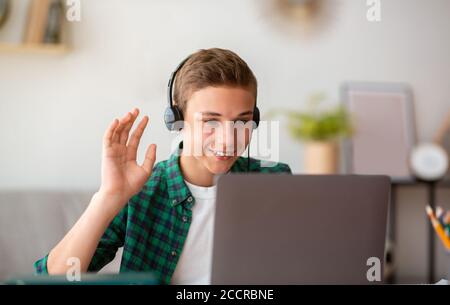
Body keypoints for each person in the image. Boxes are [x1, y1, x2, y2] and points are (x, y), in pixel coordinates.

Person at [34, 48, 291, 284]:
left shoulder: (274, 181)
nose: (228, 138)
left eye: (241, 121)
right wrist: (109, 196)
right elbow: (53, 280)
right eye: (211, 122)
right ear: (177, 121)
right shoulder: (143, 191)